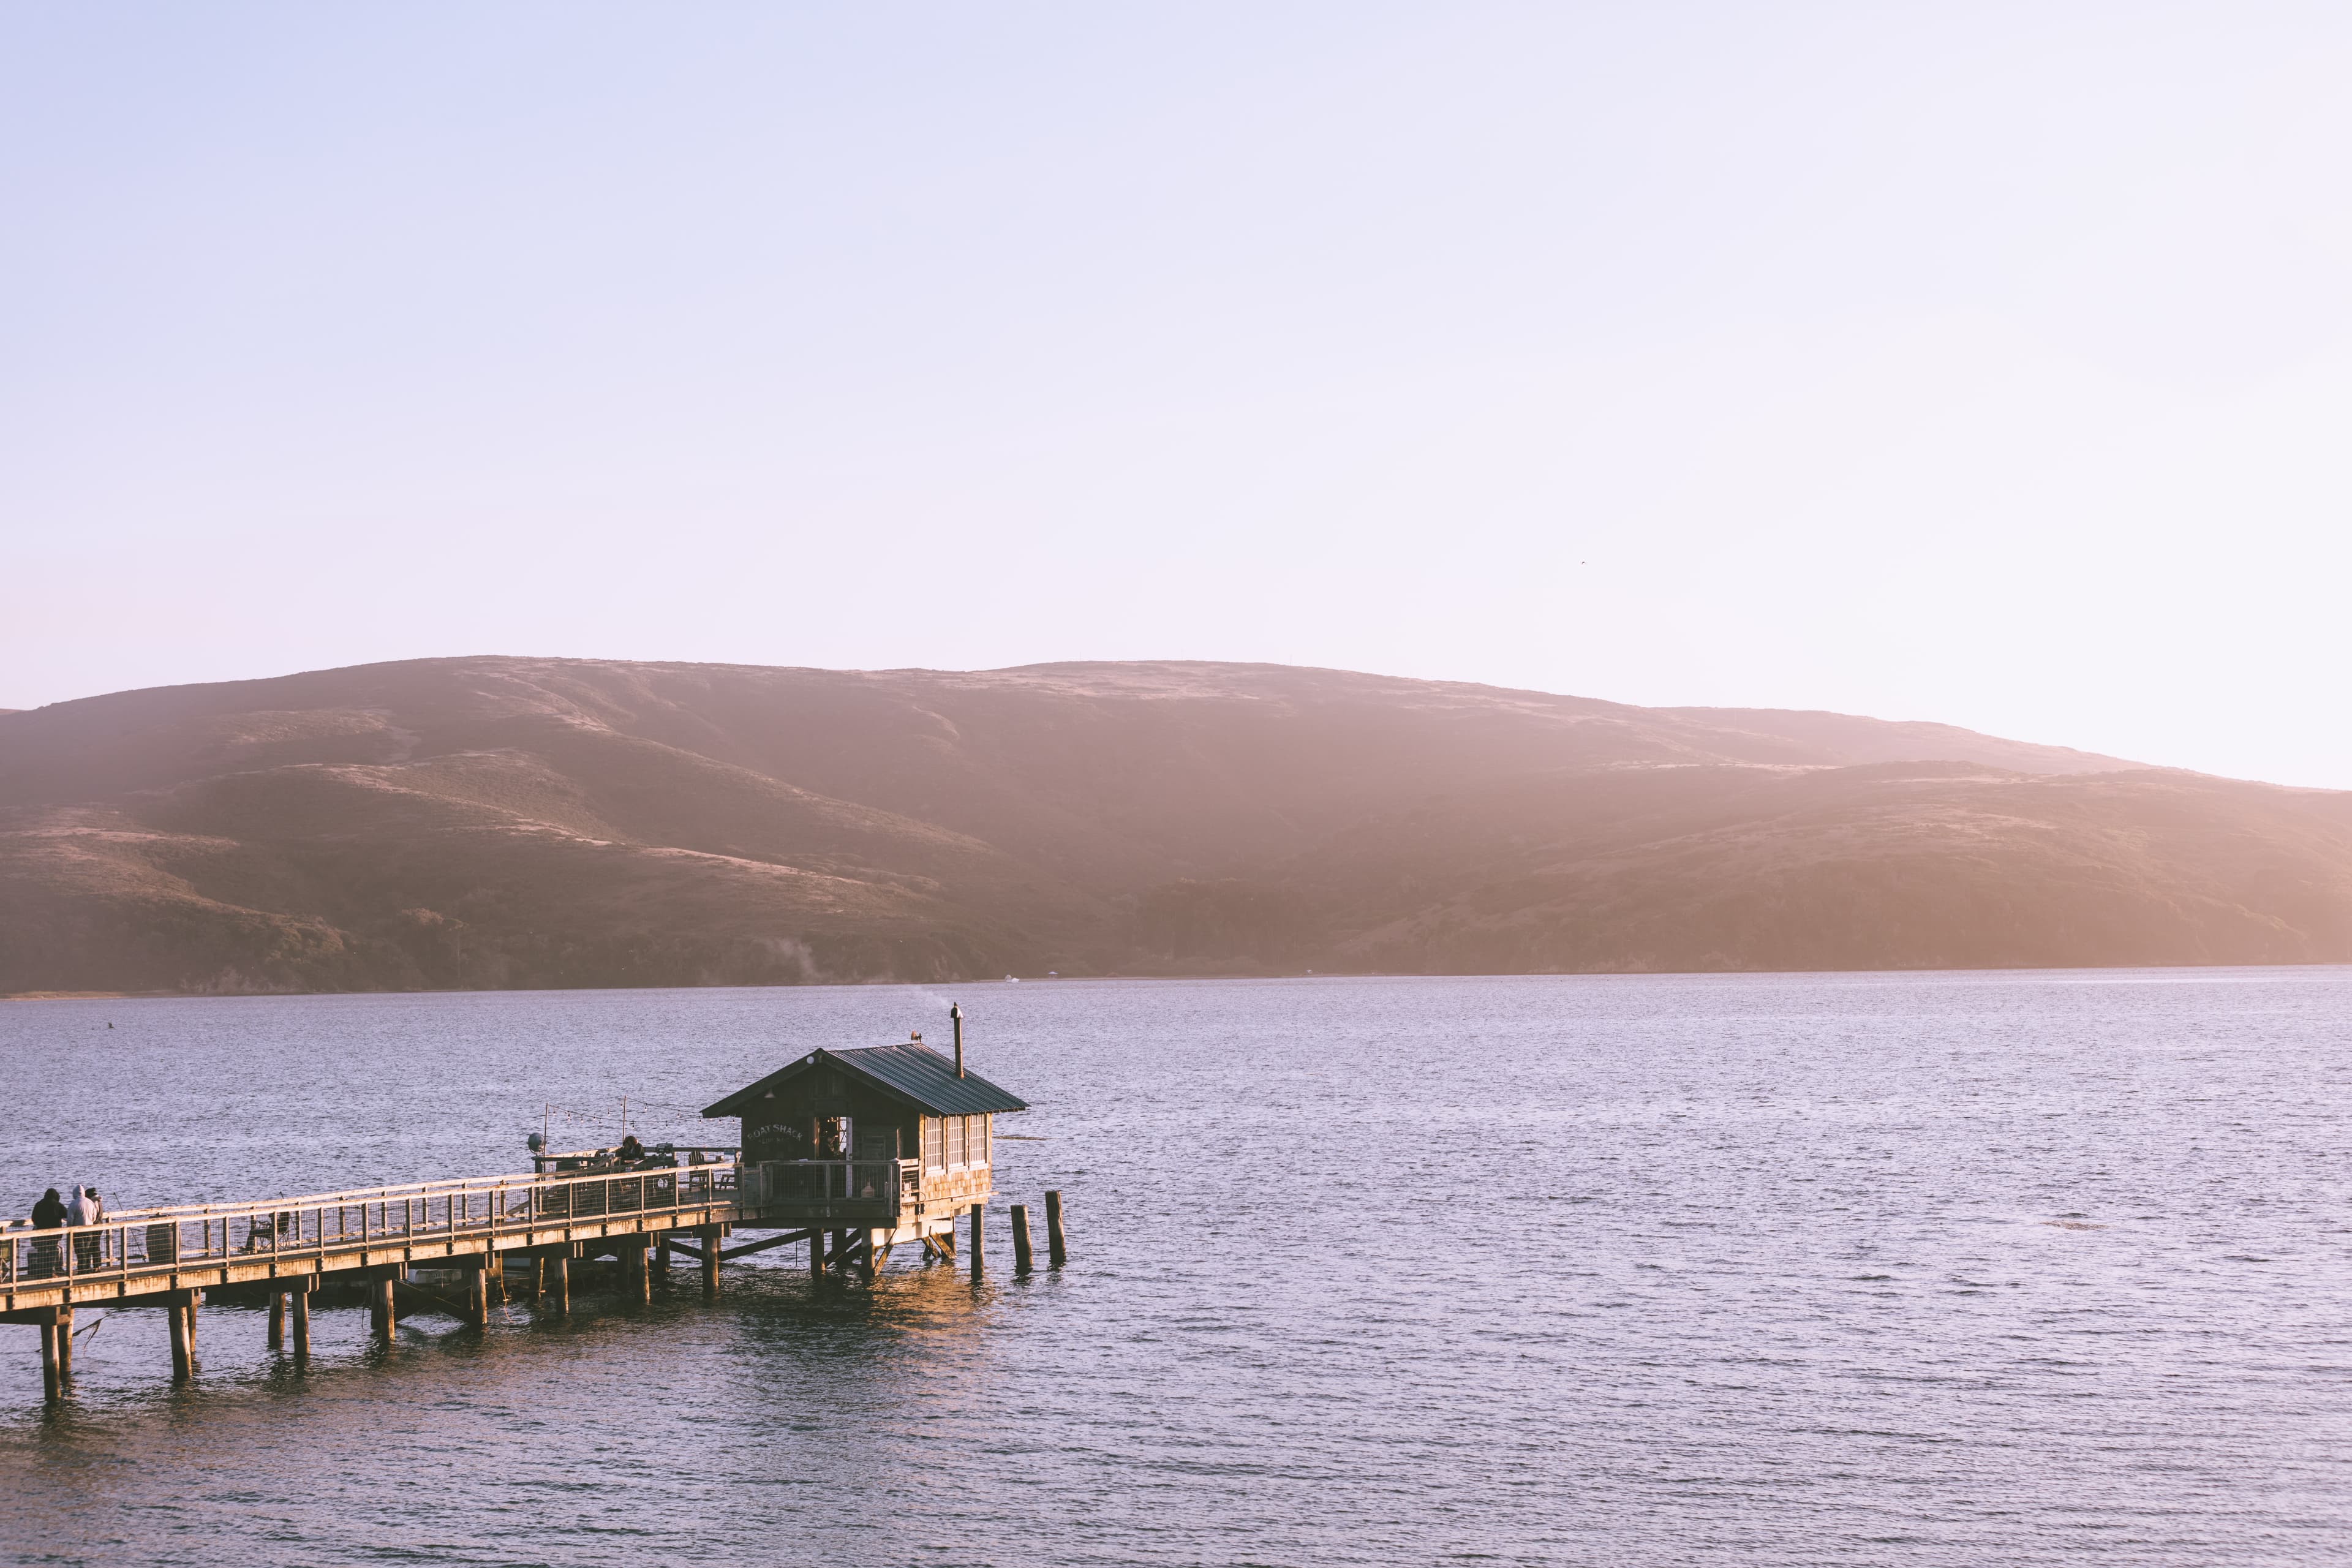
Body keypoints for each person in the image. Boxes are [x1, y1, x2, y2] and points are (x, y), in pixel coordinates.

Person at [28, 1189, 66, 1278]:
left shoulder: (39, 1204)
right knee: (53, 1251)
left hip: (41, 1232)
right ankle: (50, 1272)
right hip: (54, 1233)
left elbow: (34, 1218)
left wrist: (39, 1224)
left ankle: (42, 1272)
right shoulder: (57, 1205)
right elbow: (66, 1214)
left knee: (42, 1251)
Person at [69, 1188, 105, 1273]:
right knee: (91, 1248)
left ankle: (87, 1268)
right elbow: (94, 1215)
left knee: (86, 1249)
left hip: (92, 1227)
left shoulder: (93, 1202)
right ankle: (92, 1267)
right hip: (94, 1227)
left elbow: (94, 1217)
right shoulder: (95, 1202)